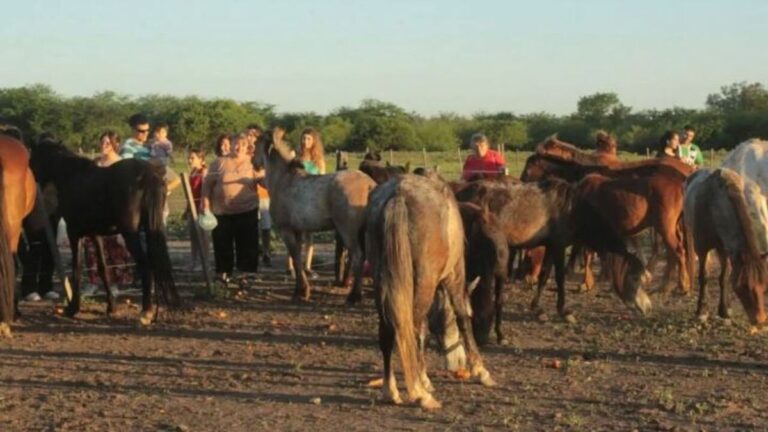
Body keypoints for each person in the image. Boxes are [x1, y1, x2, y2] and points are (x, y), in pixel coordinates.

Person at [201, 133, 263, 283]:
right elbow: (207, 186)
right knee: (222, 243)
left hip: (247, 210)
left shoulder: (253, 163)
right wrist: (206, 206)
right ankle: (223, 273)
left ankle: (246, 275)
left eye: (243, 144)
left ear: (247, 146)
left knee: (247, 244)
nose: (239, 147)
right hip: (222, 212)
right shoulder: (219, 163)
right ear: (231, 144)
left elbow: (265, 181)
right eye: (236, 143)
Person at [82, 131, 134, 296]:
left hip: (114, 212)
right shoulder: (95, 163)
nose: (104, 145)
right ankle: (93, 282)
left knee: (114, 249)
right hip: (94, 211)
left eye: (108, 143)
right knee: (91, 248)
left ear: (115, 145)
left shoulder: (121, 164)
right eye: (102, 142)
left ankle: (114, 285)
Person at [286, 127, 326, 278]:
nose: (305, 141)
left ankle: (307, 266)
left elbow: (322, 179)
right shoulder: (294, 156)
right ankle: (290, 266)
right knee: (294, 234)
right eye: (303, 138)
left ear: (314, 141)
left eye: (309, 139)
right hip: (296, 198)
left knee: (309, 235)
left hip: (311, 198)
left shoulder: (318, 160)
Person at [246, 124, 273, 266]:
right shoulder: (244, 152)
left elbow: (266, 171)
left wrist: (258, 174)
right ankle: (254, 250)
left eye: (252, 135)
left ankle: (267, 251)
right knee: (252, 225)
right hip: (249, 194)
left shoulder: (263, 153)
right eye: (248, 134)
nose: (249, 138)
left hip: (263, 194)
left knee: (266, 226)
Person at [186, 148, 209, 271]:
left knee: (203, 236)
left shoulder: (203, 171)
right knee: (193, 236)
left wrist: (203, 206)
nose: (190, 160)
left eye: (192, 158)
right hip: (191, 208)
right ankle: (193, 260)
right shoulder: (192, 172)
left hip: (201, 208)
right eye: (189, 158)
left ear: (201, 159)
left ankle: (204, 262)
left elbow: (205, 190)